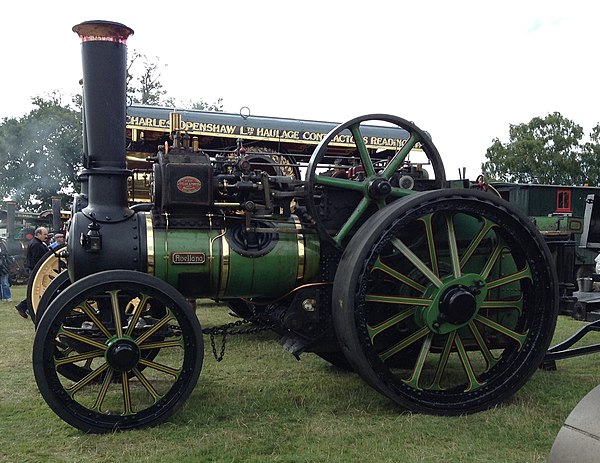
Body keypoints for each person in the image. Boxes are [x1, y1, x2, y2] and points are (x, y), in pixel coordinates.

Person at [15, 226, 49, 319]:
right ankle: (23, 306)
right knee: (36, 292)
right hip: (36, 270)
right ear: (38, 234)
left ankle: (25, 307)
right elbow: (39, 259)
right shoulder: (36, 245)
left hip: (36, 270)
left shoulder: (38, 243)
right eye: (44, 234)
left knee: (36, 292)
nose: (46, 236)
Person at [0, 238, 12, 302]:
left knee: (5, 283)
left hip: (3, 267)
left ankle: (8, 297)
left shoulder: (3, 246)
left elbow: (7, 255)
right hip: (3, 266)